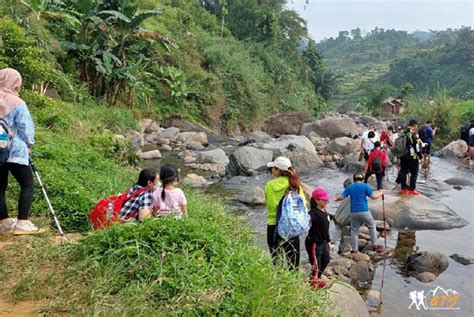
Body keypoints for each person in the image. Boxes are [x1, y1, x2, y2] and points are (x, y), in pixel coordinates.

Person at [0, 68, 45, 235]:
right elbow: (26, 128)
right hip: (15, 151)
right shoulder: (17, 103)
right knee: (27, 184)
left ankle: (4, 223)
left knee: (0, 187)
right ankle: (22, 223)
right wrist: (29, 144)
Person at [264, 156, 306, 269]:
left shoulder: (270, 185)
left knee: (277, 263)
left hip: (274, 226)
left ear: (278, 170)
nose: (272, 170)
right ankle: (293, 285)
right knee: (293, 264)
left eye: (273, 168)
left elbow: (270, 205)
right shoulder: (295, 184)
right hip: (292, 228)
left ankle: (278, 285)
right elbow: (303, 206)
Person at [336, 173, 384, 253]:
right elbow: (373, 197)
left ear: (354, 180)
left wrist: (335, 199)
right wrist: (381, 192)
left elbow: (341, 197)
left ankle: (355, 249)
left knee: (354, 230)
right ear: (362, 179)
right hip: (364, 211)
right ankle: (374, 245)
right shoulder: (365, 186)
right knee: (372, 226)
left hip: (354, 212)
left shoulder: (350, 187)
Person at [305, 187, 332, 287]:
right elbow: (306, 220)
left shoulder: (324, 211)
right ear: (316, 200)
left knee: (326, 260)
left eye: (326, 199)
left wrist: (328, 241)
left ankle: (316, 278)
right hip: (314, 243)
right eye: (324, 199)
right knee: (316, 265)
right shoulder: (313, 214)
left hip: (323, 242)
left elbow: (326, 228)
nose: (326, 201)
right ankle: (313, 285)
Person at [397, 119, 423, 195]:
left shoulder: (403, 133)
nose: (417, 127)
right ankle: (412, 189)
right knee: (414, 173)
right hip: (412, 157)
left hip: (403, 156)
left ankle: (403, 189)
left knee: (403, 172)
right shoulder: (414, 134)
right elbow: (417, 147)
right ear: (414, 125)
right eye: (417, 125)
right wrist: (420, 157)